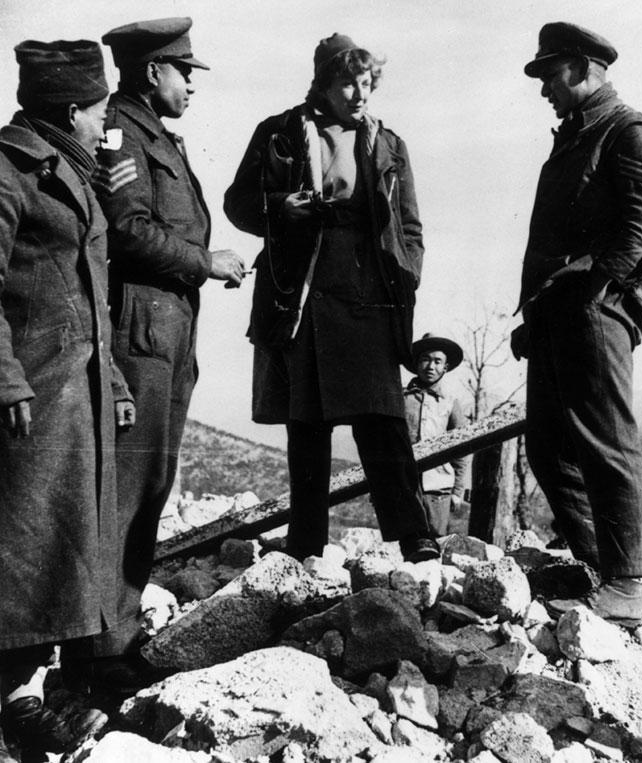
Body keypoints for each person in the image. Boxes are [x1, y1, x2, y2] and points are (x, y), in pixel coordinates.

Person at [224, 33, 438, 563]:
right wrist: (278, 207)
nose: (360, 94)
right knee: (309, 423)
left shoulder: (387, 142)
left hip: (369, 289)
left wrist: (406, 271)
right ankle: (306, 546)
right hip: (305, 287)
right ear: (322, 82)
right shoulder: (278, 132)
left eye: (367, 82)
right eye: (347, 82)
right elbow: (237, 204)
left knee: (382, 418)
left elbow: (409, 225)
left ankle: (416, 540)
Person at [83, 17, 245, 694]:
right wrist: (206, 262)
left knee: (150, 485)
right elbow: (128, 230)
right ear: (153, 71)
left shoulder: (157, 135)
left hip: (168, 334)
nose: (192, 87)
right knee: (126, 489)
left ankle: (113, 633)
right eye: (185, 72)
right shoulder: (122, 131)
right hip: (140, 333)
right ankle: (97, 650)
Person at [0, 40, 135, 759]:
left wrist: (111, 379)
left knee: (63, 547)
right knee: (22, 548)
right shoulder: (8, 171)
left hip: (75, 395)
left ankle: (36, 689)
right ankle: (14, 703)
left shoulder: (77, 176)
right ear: (72, 109)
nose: (106, 122)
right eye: (101, 109)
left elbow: (92, 298)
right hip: (31, 394)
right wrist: (5, 378)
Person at [512, 22, 642, 622]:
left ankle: (628, 581)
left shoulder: (627, 130)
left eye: (550, 75)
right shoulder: (576, 136)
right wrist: (537, 314)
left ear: (580, 68)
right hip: (560, 309)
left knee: (604, 439)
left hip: (596, 307)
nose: (544, 88)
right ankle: (612, 572)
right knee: (550, 448)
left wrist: (601, 287)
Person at [404, 333, 468, 537]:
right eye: (425, 359)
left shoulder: (450, 403)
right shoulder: (400, 398)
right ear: (416, 363)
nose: (430, 366)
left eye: (437, 361)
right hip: (404, 484)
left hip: (438, 488)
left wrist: (458, 491)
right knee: (406, 540)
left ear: (445, 367)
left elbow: (461, 450)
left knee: (437, 540)